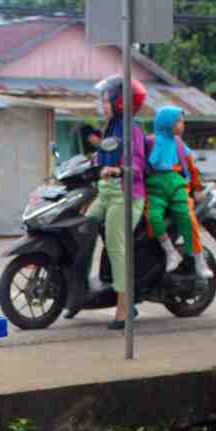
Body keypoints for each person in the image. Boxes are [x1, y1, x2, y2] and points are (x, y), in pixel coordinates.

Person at [75, 76, 148, 329]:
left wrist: (121, 169)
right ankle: (78, 288)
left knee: (117, 248)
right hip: (106, 193)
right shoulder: (111, 127)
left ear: (121, 102)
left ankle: (124, 308)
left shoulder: (132, 129)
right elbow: (101, 156)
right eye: (103, 100)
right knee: (82, 226)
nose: (103, 105)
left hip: (126, 195)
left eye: (107, 100)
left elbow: (137, 162)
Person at [145, 106, 213, 285]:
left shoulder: (179, 144)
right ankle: (170, 251)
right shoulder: (151, 142)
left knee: (186, 216)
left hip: (177, 187)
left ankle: (199, 260)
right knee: (152, 217)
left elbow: (191, 167)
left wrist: (197, 188)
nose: (183, 124)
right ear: (168, 123)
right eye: (179, 121)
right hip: (155, 189)